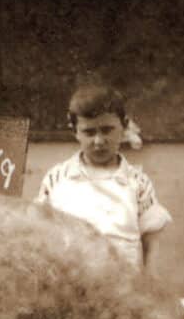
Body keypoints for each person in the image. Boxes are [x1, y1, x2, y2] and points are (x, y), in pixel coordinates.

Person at [33, 83, 171, 273]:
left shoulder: (138, 182)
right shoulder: (57, 179)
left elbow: (152, 246)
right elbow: (40, 235)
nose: (98, 141)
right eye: (89, 132)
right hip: (71, 284)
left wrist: (151, 287)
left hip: (124, 287)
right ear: (74, 131)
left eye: (107, 130)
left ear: (124, 126)